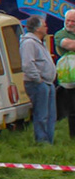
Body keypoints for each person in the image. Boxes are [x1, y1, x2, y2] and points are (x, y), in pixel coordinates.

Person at [22, 15, 57, 144]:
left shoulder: (40, 42)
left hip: (48, 83)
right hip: (38, 84)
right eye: (44, 25)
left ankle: (49, 140)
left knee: (50, 115)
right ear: (37, 28)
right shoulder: (29, 43)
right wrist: (38, 79)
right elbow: (27, 64)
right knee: (41, 115)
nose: (47, 27)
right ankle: (42, 141)